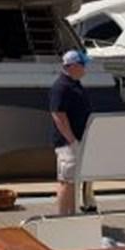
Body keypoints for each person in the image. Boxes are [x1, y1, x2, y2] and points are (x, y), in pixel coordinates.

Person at [49, 49, 92, 216]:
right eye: (82, 65)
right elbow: (58, 115)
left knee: (72, 181)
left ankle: (71, 215)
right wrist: (72, 140)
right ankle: (62, 218)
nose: (85, 68)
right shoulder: (61, 87)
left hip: (76, 141)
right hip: (68, 143)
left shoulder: (74, 84)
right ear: (72, 66)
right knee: (66, 181)